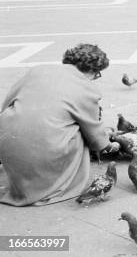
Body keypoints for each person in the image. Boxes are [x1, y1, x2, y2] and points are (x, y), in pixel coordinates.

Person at [0, 44, 118, 206]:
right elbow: (96, 137)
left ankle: (27, 181)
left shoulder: (37, 70)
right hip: (45, 151)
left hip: (8, 142)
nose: (97, 77)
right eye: (98, 74)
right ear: (93, 70)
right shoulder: (86, 88)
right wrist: (109, 144)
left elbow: (6, 105)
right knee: (80, 130)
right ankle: (56, 182)